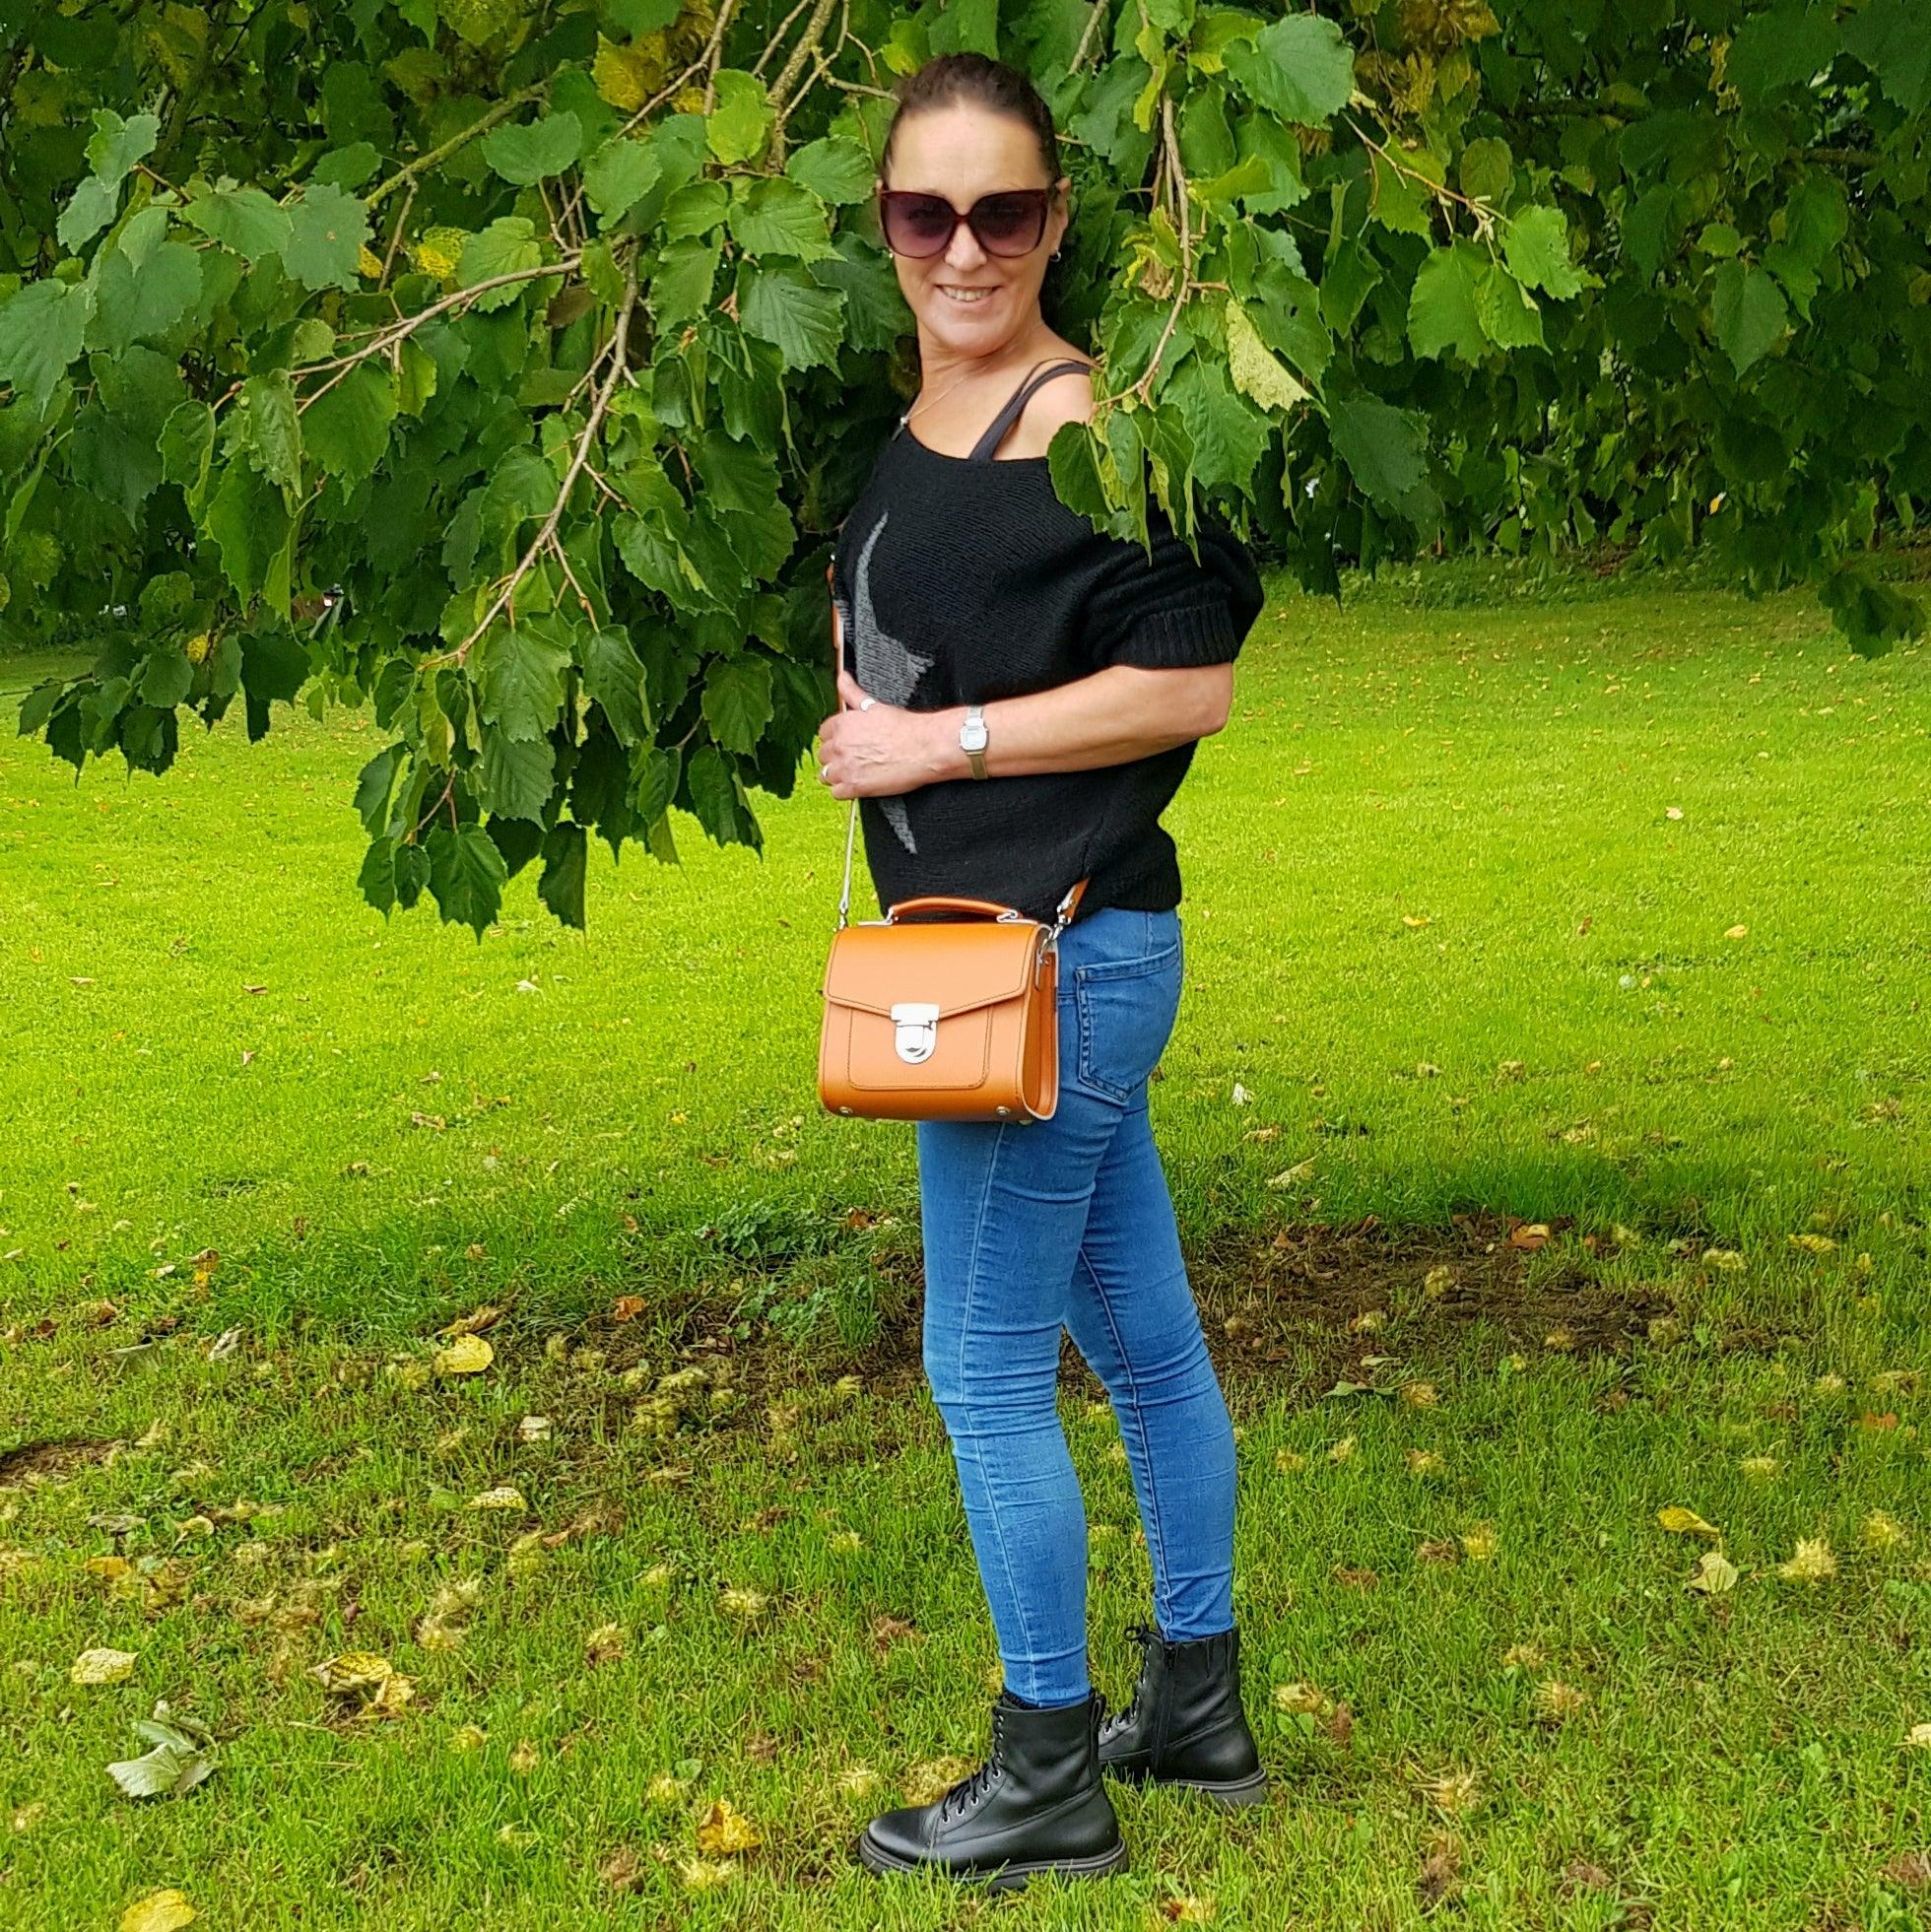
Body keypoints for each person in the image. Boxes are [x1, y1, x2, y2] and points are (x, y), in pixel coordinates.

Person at [814, 52, 1268, 1891]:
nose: (968, 247)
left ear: (1057, 220)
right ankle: (1199, 1699)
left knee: (982, 1364)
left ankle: (1044, 1767)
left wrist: (945, 748)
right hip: (1007, 958)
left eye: (1006, 210)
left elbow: (1192, 679)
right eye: (932, 212)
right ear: (889, 229)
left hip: (1053, 966)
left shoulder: (1096, 424)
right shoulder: (923, 430)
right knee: (1141, 1342)